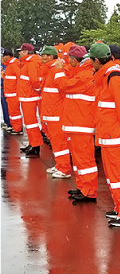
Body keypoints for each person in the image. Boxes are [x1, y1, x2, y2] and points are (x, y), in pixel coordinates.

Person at [90, 43, 120, 227]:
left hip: (115, 135)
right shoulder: (107, 76)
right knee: (113, 176)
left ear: (96, 60)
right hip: (109, 134)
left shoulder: (114, 78)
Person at [60, 45, 99, 202]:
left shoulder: (85, 76)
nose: (68, 62)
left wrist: (58, 72)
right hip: (78, 123)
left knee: (85, 159)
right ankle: (83, 186)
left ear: (75, 60)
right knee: (79, 159)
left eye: (69, 59)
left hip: (81, 124)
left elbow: (63, 85)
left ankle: (89, 190)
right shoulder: (83, 73)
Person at [40, 46, 72, 178]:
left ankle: (64, 168)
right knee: (55, 140)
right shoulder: (50, 70)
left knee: (59, 141)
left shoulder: (57, 70)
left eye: (44, 55)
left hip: (55, 112)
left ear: (51, 56)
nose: (42, 57)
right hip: (50, 111)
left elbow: (63, 89)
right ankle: (60, 164)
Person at [17, 43, 43, 156]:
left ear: (26, 52)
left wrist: (37, 90)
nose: (19, 53)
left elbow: (34, 81)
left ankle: (35, 145)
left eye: (21, 51)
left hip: (29, 97)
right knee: (29, 122)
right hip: (28, 96)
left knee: (31, 122)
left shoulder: (31, 64)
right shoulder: (29, 63)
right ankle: (33, 143)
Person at [2, 48, 23, 135]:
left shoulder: (14, 65)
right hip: (10, 93)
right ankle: (15, 127)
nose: (2, 58)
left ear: (7, 56)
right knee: (12, 112)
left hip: (13, 93)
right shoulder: (10, 65)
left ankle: (18, 128)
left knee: (15, 112)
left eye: (3, 56)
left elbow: (19, 78)